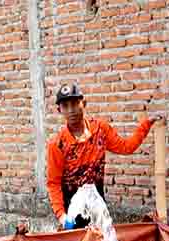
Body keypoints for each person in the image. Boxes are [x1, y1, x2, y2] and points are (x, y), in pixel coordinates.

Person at [46, 83, 161, 229]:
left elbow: (126, 147)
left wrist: (146, 125)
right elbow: (53, 183)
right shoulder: (58, 144)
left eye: (75, 104)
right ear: (59, 110)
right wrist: (62, 217)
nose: (71, 110)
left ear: (84, 103)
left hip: (96, 199)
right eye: (66, 106)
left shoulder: (100, 130)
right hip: (72, 207)